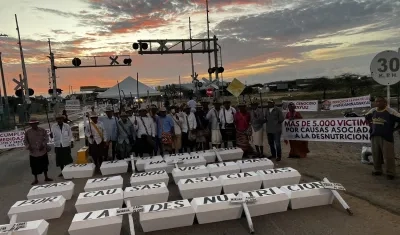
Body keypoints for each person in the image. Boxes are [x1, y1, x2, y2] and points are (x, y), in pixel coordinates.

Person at [365, 96, 400, 180]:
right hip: (374, 135)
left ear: (385, 103)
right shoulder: (373, 110)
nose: (377, 103)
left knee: (388, 156)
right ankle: (377, 170)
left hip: (386, 137)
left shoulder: (390, 111)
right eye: (376, 102)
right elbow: (366, 117)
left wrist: (394, 129)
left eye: (380, 101)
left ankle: (390, 172)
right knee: (376, 154)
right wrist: (371, 126)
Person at [24, 118, 52, 185]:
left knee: (45, 165)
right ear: (30, 125)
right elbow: (25, 141)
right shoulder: (27, 132)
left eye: (35, 123)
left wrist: (43, 144)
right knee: (34, 167)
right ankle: (36, 179)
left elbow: (46, 138)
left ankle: (46, 177)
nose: (33, 125)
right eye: (32, 124)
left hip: (42, 151)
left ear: (37, 123)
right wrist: (28, 146)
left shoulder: (42, 130)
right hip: (33, 152)